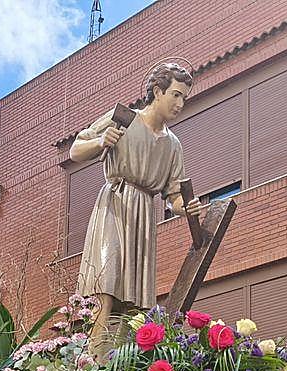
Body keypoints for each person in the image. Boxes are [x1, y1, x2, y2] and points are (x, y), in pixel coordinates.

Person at [71, 60, 203, 336]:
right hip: (115, 203)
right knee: (105, 284)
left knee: (135, 302)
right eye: (176, 95)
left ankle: (124, 362)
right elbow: (75, 151)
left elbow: (173, 195)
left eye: (184, 98)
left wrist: (186, 208)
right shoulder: (124, 118)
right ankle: (91, 362)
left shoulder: (173, 144)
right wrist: (100, 142)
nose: (180, 104)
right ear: (157, 91)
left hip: (144, 215)